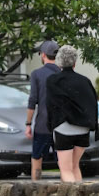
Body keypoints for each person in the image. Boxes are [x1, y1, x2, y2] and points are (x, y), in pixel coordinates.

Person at [44, 46, 99, 184]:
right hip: (83, 129)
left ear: (59, 63)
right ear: (75, 63)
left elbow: (51, 105)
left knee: (65, 169)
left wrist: (51, 125)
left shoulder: (53, 81)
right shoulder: (85, 81)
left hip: (64, 128)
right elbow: (92, 102)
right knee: (75, 166)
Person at [25, 39, 60, 181]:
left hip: (42, 125)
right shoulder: (63, 73)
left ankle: (35, 187)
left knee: (37, 158)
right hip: (61, 126)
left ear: (43, 55)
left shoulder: (36, 74)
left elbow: (33, 100)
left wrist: (28, 124)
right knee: (63, 162)